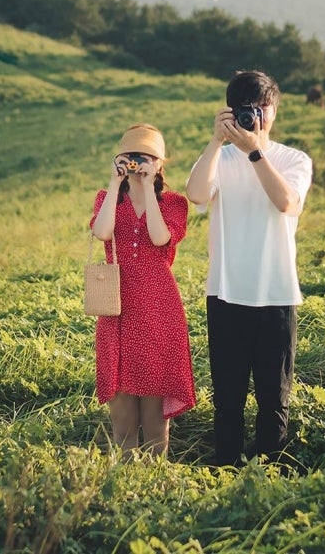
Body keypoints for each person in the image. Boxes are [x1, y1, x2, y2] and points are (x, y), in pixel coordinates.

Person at [186, 70, 313, 466]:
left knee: (274, 399)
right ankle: (224, 473)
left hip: (276, 293)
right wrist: (215, 141)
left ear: (274, 111)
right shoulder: (219, 158)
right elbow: (195, 194)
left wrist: (256, 151)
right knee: (227, 398)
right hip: (225, 291)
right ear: (229, 112)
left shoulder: (293, 159)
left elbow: (286, 202)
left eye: (261, 109)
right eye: (245, 110)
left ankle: (270, 476)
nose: (253, 118)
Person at [90, 123, 195, 458]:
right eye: (131, 156)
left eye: (147, 157)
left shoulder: (174, 203)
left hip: (157, 311)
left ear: (161, 163)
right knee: (122, 423)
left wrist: (149, 188)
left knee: (154, 423)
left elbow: (160, 238)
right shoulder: (107, 198)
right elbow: (102, 233)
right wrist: (115, 181)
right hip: (117, 309)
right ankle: (126, 490)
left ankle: (155, 487)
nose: (138, 163)